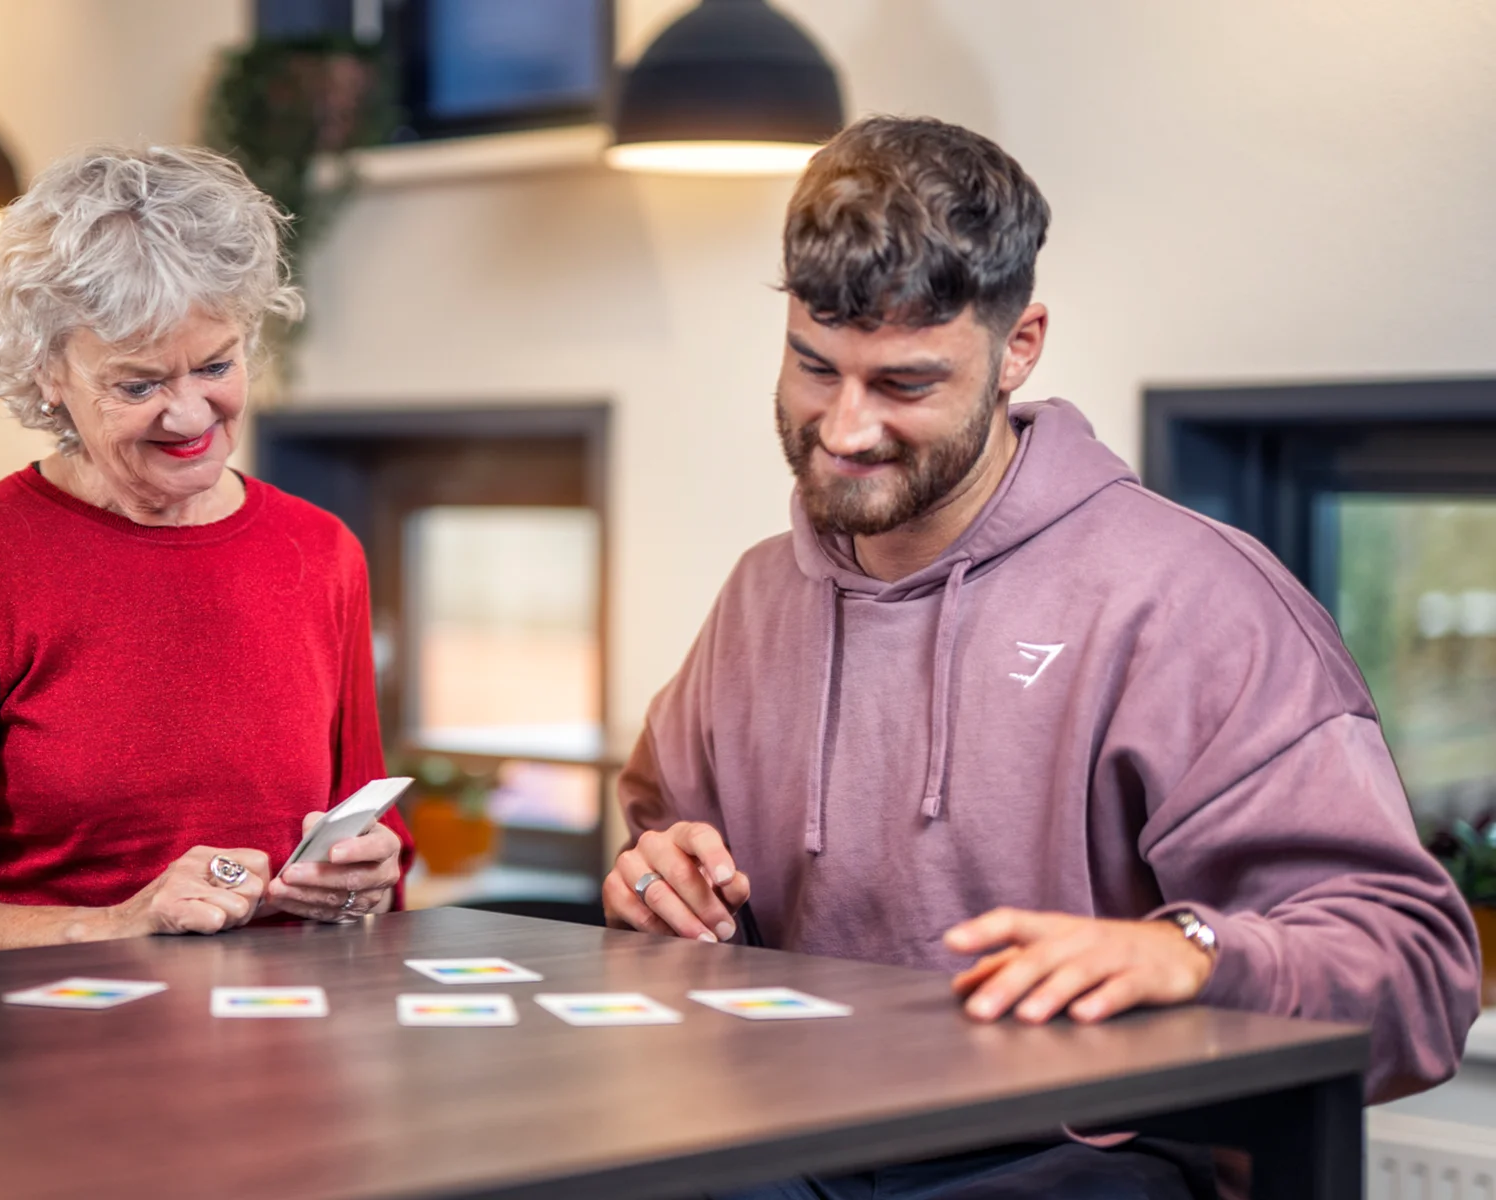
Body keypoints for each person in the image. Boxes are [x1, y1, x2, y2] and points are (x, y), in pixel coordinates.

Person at [603, 116, 1479, 1196]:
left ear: (1019, 346)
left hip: (1078, 1157)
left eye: (904, 385)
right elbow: (663, 849)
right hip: (792, 1138)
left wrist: (1189, 952)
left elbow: (1416, 970)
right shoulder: (756, 596)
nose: (843, 428)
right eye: (813, 367)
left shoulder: (1187, 600)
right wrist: (663, 886)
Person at [0, 145, 411, 959]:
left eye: (215, 365)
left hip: (284, 1026)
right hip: (54, 1027)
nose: (190, 416)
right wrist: (119, 922)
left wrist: (363, 882)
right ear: (49, 374)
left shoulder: (322, 552)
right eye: (138, 384)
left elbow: (378, 867)